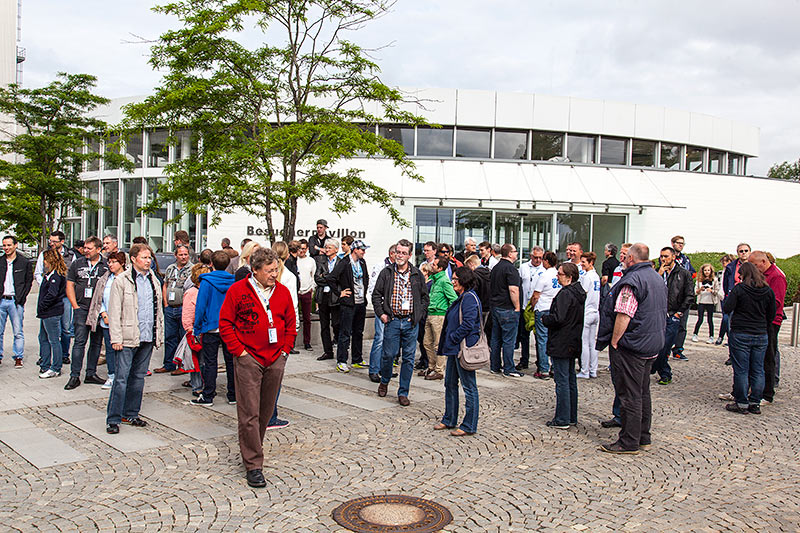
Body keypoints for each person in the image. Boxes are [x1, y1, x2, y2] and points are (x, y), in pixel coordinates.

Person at [219, 247, 296, 488]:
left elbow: (291, 323)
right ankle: (253, 464)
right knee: (249, 413)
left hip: (275, 359)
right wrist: (240, 352)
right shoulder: (238, 290)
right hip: (249, 358)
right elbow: (225, 323)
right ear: (255, 270)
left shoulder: (282, 292)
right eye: (269, 271)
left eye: (276, 270)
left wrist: (284, 351)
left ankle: (254, 446)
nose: (274, 274)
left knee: (265, 411)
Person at [596, 243, 667, 454]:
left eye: (626, 256)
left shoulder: (632, 281)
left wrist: (615, 340)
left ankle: (629, 441)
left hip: (633, 345)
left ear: (631, 259)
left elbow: (624, 314)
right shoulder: (657, 277)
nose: (623, 260)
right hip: (651, 342)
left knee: (630, 394)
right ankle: (643, 436)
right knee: (643, 392)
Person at [105, 243, 165, 435]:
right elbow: (115, 311)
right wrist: (116, 338)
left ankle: (131, 413)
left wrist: (158, 334)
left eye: (149, 258)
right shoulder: (122, 280)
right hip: (127, 337)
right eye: (144, 257)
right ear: (133, 259)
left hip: (147, 336)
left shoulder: (153, 279)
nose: (148, 261)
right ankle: (114, 418)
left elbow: (158, 310)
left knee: (138, 378)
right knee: (121, 379)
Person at [372, 239, 429, 406]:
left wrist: (418, 315)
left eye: (404, 253)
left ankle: (403, 392)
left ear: (409, 255)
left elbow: (425, 298)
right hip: (393, 320)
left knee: (409, 358)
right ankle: (385, 381)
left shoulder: (417, 274)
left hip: (410, 322)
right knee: (388, 355)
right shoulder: (387, 272)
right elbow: (376, 295)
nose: (400, 255)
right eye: (398, 252)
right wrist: (382, 314)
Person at [722, 262, 775, 415]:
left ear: (743, 274)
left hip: (741, 332)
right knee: (758, 369)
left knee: (741, 370)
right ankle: (755, 402)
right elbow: (771, 314)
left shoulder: (740, 289)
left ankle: (742, 403)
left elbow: (727, 308)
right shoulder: (767, 290)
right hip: (760, 333)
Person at [435, 266, 481, 436]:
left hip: (462, 348)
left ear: (464, 281)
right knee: (450, 383)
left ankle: (469, 425)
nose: (452, 282)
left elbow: (468, 324)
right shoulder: (462, 297)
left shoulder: (468, 298)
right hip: (454, 348)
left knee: (469, 386)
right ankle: (449, 419)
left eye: (455, 279)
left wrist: (454, 337)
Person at [542, 262, 586, 429]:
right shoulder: (577, 292)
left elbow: (558, 318)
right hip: (572, 339)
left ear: (569, 277)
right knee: (570, 379)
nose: (557, 276)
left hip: (562, 340)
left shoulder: (566, 294)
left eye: (560, 274)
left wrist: (546, 319)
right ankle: (571, 415)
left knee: (562, 380)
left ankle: (562, 418)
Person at [190, 250, 236, 406]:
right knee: (231, 362)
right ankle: (233, 394)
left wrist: (197, 327)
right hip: (229, 326)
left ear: (211, 264)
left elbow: (201, 306)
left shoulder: (206, 282)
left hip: (210, 326)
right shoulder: (233, 281)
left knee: (210, 362)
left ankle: (208, 394)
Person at [65, 236, 108, 389]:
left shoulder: (106, 265)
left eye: (89, 248)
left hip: (98, 309)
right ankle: (74, 375)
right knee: (79, 342)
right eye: (85, 248)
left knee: (96, 343)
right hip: (82, 308)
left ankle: (91, 373)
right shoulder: (77, 263)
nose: (86, 251)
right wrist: (75, 306)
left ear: (98, 249)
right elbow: (70, 285)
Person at [748, 251, 787, 406]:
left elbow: (776, 302)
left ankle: (768, 393)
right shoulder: (761, 275)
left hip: (771, 321)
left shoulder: (776, 276)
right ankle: (755, 388)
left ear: (763, 262)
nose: (753, 268)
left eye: (754, 265)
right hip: (759, 320)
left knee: (768, 356)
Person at [651, 247, 694, 385]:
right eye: (661, 256)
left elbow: (689, 295)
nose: (663, 259)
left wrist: (679, 312)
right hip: (658, 314)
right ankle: (663, 372)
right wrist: (659, 274)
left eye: (666, 256)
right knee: (656, 345)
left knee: (665, 347)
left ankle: (660, 370)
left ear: (673, 257)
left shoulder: (683, 273)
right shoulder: (658, 273)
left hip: (672, 314)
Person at [86, 251, 126, 389]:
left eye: (114, 262)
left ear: (122, 263)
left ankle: (122, 375)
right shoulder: (106, 278)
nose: (110, 265)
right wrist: (103, 313)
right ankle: (112, 375)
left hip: (122, 321)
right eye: (109, 262)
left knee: (122, 350)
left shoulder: (126, 278)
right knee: (110, 349)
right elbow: (99, 298)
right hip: (107, 320)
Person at [35, 231, 76, 364]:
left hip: (64, 296)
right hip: (50, 294)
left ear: (62, 241)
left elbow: (73, 275)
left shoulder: (70, 255)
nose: (51, 243)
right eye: (50, 241)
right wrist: (46, 286)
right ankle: (45, 357)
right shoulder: (45, 254)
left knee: (65, 328)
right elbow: (38, 273)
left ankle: (63, 355)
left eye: (54, 241)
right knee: (45, 332)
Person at [328, 239, 369, 372]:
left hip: (360, 302)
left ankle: (357, 358)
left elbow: (366, 278)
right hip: (348, 304)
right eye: (362, 250)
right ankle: (341, 360)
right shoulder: (345, 262)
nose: (364, 252)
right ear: (355, 250)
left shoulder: (362, 262)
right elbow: (331, 278)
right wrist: (339, 293)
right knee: (345, 332)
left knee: (358, 332)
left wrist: (364, 292)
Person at [155, 244, 193, 374]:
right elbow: (165, 285)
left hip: (183, 308)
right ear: (175, 255)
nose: (183, 257)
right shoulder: (170, 268)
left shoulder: (192, 269)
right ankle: (168, 364)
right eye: (181, 254)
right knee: (170, 338)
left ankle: (183, 366)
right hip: (170, 308)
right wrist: (165, 304)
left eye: (185, 254)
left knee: (183, 338)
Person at [489, 244, 523, 378]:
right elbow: (513, 289)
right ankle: (509, 368)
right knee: (509, 340)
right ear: (509, 254)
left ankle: (495, 365)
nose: (516, 253)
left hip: (496, 306)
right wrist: (517, 306)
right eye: (515, 251)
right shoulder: (511, 269)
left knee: (496, 338)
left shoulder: (496, 267)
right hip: (507, 308)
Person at [422, 257, 458, 380]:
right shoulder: (434, 279)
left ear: (440, 268)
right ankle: (431, 366)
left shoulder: (444, 281)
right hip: (430, 313)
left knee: (438, 344)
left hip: (439, 315)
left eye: (434, 264)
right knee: (427, 343)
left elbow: (453, 299)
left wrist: (448, 314)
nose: (432, 265)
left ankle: (439, 370)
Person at [0, 235, 33, 368]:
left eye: (9, 245)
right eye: (4, 245)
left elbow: (28, 281)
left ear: (15, 245)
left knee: (18, 331)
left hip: (16, 301)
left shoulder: (24, 262)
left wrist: (22, 298)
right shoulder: (1, 261)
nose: (6, 248)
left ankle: (18, 357)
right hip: (2, 300)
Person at [367, 244, 396, 382]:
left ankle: (385, 368)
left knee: (390, 340)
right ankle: (374, 369)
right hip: (383, 308)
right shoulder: (381, 267)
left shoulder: (400, 268)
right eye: (398, 253)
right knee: (379, 338)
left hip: (395, 309)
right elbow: (373, 288)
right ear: (392, 254)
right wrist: (380, 305)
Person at [182, 263, 212, 396]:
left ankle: (205, 383)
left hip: (206, 329)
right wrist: (189, 329)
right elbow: (187, 313)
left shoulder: (208, 291)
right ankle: (197, 385)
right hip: (195, 330)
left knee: (205, 360)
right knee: (196, 360)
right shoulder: (191, 293)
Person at [530, 251, 560, 380]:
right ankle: (554, 367)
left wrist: (532, 306)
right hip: (554, 308)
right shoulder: (558, 274)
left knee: (542, 339)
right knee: (552, 338)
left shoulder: (544, 275)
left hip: (542, 307)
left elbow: (536, 295)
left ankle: (543, 368)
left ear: (546, 261)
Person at [37, 249, 67, 378]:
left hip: (51, 312)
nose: (44, 262)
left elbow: (52, 294)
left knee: (54, 340)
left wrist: (43, 305)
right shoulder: (48, 275)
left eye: (45, 260)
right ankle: (45, 364)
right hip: (45, 313)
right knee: (43, 338)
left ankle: (55, 367)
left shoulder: (56, 276)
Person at [516, 246, 545, 371]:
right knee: (524, 335)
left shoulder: (544, 269)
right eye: (535, 257)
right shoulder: (523, 267)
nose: (538, 260)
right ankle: (524, 359)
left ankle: (540, 361)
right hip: (524, 305)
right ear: (531, 256)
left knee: (539, 336)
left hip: (538, 306)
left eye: (540, 258)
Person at [669, 235, 695, 359]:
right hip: (672, 296)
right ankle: (665, 348)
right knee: (668, 324)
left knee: (682, 325)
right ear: (672, 243)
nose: (680, 245)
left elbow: (692, 272)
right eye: (678, 243)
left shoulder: (686, 260)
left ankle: (678, 349)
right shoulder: (668, 256)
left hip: (684, 295)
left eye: (682, 243)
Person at [314, 239, 340, 361]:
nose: (327, 250)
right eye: (326, 247)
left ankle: (339, 344)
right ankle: (327, 351)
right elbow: (317, 278)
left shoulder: (341, 263)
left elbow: (339, 279)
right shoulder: (321, 262)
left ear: (336, 249)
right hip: (323, 296)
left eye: (329, 248)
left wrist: (326, 277)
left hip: (335, 296)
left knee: (336, 323)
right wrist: (330, 279)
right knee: (324, 325)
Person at [578, 252, 601, 379]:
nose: (581, 264)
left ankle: (585, 370)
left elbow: (583, 293)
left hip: (587, 312)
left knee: (585, 343)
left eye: (583, 262)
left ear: (590, 263)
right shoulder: (596, 276)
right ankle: (593, 369)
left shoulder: (587, 277)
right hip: (595, 311)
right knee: (592, 343)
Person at [692, 264, 723, 344]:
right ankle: (695, 334)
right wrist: (700, 289)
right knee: (700, 319)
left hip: (710, 301)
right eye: (705, 270)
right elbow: (695, 292)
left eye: (708, 270)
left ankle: (711, 336)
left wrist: (711, 290)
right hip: (701, 301)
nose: (707, 272)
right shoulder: (699, 280)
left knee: (710, 320)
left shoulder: (715, 280)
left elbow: (717, 291)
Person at [296, 239, 316, 351]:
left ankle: (307, 342)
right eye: (300, 248)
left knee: (307, 319)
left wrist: (311, 288)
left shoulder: (311, 261)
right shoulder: (294, 260)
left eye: (304, 249)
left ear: (307, 249)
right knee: (293, 318)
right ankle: (292, 342)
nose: (301, 251)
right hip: (296, 292)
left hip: (307, 291)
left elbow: (313, 276)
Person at [716, 254, 735, 346]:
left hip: (728, 296)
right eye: (723, 261)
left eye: (727, 261)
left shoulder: (732, 272)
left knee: (726, 318)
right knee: (725, 318)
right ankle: (724, 337)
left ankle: (722, 336)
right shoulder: (721, 272)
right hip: (722, 296)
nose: (724, 263)